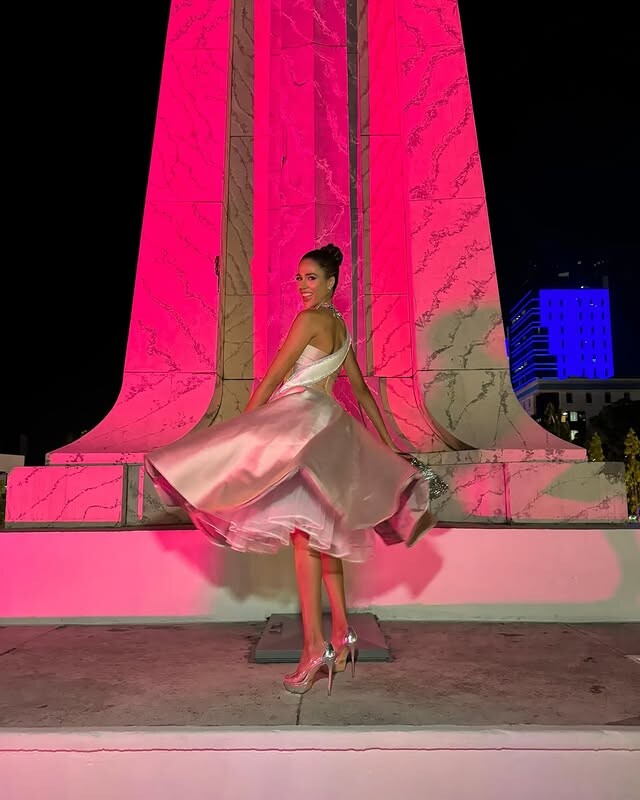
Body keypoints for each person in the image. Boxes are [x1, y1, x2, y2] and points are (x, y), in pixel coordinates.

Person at [145, 244, 437, 696]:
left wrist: (244, 426)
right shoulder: (340, 326)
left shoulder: (309, 320)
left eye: (311, 277)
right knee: (324, 537)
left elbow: (275, 376)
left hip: (300, 424)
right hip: (329, 428)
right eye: (299, 277)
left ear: (331, 282)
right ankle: (342, 633)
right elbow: (361, 392)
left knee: (306, 540)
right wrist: (388, 443)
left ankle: (315, 648)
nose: (302, 285)